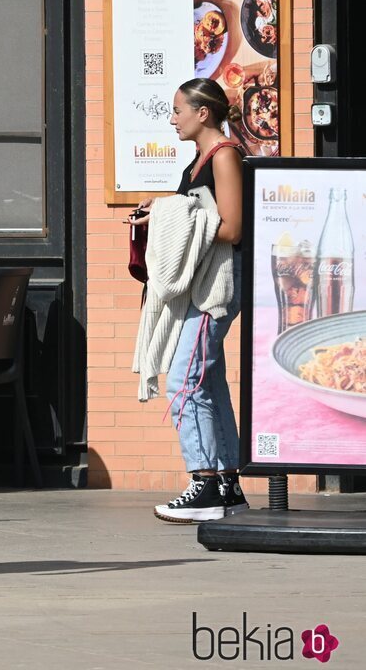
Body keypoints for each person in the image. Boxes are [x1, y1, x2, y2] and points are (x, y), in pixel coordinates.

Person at [130, 78, 249, 523]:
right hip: (202, 283)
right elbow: (194, 219)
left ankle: (204, 484)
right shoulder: (199, 160)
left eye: (178, 109)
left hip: (216, 287)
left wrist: (169, 219)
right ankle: (228, 485)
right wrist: (159, 212)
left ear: (203, 113)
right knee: (207, 381)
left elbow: (233, 227)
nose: (172, 118)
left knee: (183, 379)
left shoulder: (224, 156)